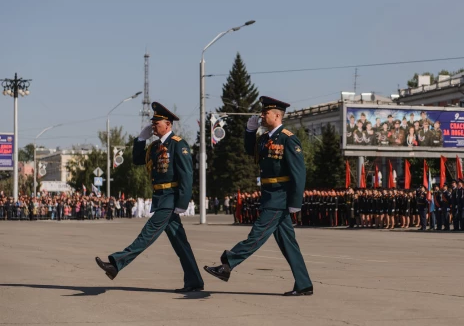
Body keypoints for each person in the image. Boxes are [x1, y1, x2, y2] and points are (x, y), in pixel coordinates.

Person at [204, 96, 313, 296]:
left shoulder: (288, 139)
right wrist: (250, 131)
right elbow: (250, 151)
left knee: (257, 235)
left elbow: (299, 172)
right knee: (289, 244)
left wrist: (296, 202)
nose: (262, 116)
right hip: (269, 195)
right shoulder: (265, 139)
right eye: (262, 112)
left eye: (266, 113)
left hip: (279, 197)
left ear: (277, 115)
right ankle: (304, 283)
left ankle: (228, 264)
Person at [95, 102, 204, 293]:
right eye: (152, 123)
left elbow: (187, 175)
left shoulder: (179, 144)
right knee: (180, 243)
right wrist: (140, 139)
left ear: (168, 124)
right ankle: (194, 281)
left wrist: (182, 202)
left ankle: (116, 263)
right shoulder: (154, 146)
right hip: (160, 197)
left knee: (147, 234)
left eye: (157, 123)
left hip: (170, 198)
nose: (153, 126)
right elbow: (137, 159)